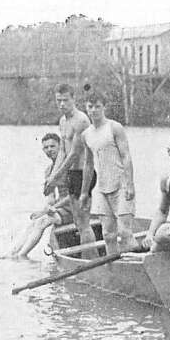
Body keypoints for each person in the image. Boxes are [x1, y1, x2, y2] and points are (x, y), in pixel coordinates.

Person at [0, 133, 72, 260]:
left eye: (52, 146)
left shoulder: (68, 166)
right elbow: (50, 198)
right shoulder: (49, 170)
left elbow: (74, 196)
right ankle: (12, 253)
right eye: (46, 147)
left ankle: (21, 256)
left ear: (60, 146)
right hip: (60, 208)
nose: (49, 150)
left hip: (73, 208)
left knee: (43, 221)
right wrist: (44, 210)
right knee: (34, 222)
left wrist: (49, 210)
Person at [78, 91, 137, 254]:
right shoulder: (86, 135)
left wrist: (130, 184)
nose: (94, 110)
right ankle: (113, 267)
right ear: (86, 108)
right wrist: (84, 192)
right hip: (102, 188)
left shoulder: (114, 127)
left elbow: (126, 156)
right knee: (108, 235)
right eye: (90, 107)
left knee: (125, 232)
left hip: (121, 186)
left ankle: (136, 262)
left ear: (104, 107)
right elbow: (88, 164)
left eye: (98, 106)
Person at [44, 83, 97, 257]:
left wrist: (56, 177)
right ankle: (87, 257)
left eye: (65, 100)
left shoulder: (81, 120)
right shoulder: (62, 121)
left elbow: (74, 154)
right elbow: (62, 151)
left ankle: (91, 260)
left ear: (73, 99)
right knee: (79, 223)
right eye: (58, 100)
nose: (62, 104)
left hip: (83, 174)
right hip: (71, 174)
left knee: (84, 224)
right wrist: (53, 176)